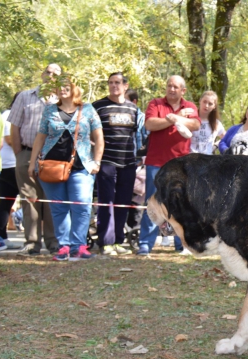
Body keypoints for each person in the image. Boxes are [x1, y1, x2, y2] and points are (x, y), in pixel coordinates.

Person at [28, 75, 104, 261]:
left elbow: (99, 137)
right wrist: (32, 163)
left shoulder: (87, 109)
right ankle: (64, 247)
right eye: (59, 86)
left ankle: (79, 247)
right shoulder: (50, 110)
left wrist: (97, 161)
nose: (63, 89)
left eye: (66, 85)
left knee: (82, 205)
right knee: (58, 207)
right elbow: (40, 137)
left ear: (74, 87)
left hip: (81, 165)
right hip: (52, 166)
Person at [136, 75, 200, 256]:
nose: (171, 89)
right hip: (156, 162)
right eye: (169, 86)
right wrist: (173, 119)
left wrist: (177, 117)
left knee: (180, 204)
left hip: (180, 165)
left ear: (183, 91)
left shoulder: (190, 106)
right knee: (153, 202)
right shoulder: (155, 104)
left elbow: (195, 124)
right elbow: (150, 124)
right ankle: (145, 244)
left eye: (175, 87)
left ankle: (182, 244)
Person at [7, 64, 61, 256]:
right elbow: (14, 127)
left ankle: (53, 242)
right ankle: (31, 243)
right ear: (42, 74)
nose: (51, 75)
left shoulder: (62, 99)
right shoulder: (24, 96)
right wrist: (19, 154)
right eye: (48, 72)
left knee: (51, 200)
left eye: (56, 73)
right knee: (30, 199)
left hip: (53, 158)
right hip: (26, 153)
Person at [92, 72, 139, 256]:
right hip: (106, 162)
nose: (114, 86)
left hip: (128, 162)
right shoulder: (98, 106)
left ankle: (118, 240)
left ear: (125, 86)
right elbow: (90, 133)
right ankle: (106, 242)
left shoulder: (133, 109)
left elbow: (137, 135)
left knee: (123, 202)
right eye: (111, 83)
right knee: (106, 202)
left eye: (117, 83)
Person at [0, 93, 22, 250]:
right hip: (11, 165)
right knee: (7, 202)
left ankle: (2, 237)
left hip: (16, 164)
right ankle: (1, 236)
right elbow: (8, 139)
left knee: (7, 202)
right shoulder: (8, 115)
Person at [190, 90, 225, 155]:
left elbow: (226, 138)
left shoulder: (216, 123)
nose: (206, 105)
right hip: (189, 158)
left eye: (210, 104)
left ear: (214, 106)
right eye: (204, 102)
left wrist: (215, 145)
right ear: (200, 101)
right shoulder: (190, 118)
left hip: (207, 160)